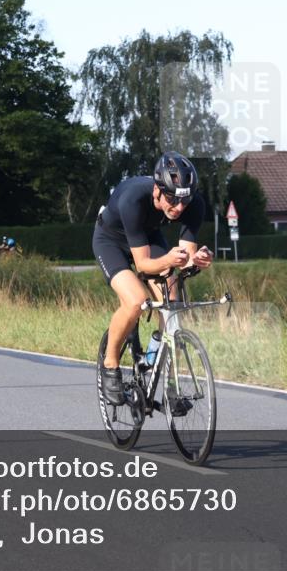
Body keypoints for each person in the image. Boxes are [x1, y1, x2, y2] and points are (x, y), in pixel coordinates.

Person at [94, 151, 213, 406]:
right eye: (172, 199)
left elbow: (187, 256)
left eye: (185, 200)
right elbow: (144, 264)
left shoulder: (194, 205)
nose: (179, 207)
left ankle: (169, 384)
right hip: (111, 241)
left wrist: (197, 259)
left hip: (148, 237)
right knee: (136, 301)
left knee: (172, 305)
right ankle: (110, 364)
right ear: (157, 190)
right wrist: (171, 260)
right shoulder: (133, 199)